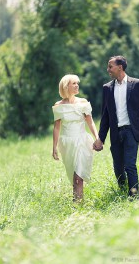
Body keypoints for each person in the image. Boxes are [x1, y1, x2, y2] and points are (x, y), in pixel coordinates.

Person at [93, 55, 139, 200]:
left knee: (130, 165)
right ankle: (123, 191)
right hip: (115, 133)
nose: (108, 70)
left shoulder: (136, 84)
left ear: (120, 67)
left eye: (110, 66)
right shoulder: (107, 88)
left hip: (131, 131)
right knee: (118, 168)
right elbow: (105, 116)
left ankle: (134, 197)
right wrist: (101, 138)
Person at [52, 74, 99, 202]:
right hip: (67, 143)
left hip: (82, 141)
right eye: (74, 83)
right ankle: (77, 203)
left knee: (79, 176)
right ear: (66, 86)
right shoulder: (59, 105)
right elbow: (56, 127)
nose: (77, 85)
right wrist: (54, 148)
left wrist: (97, 138)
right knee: (73, 175)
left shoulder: (83, 103)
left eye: (77, 83)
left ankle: (78, 204)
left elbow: (90, 122)